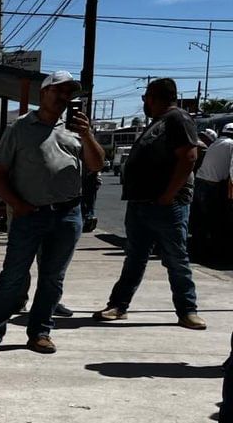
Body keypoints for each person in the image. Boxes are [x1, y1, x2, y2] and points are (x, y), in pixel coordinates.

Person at [0, 70, 105, 357]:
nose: (63, 97)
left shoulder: (76, 129)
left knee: (52, 278)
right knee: (13, 275)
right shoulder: (21, 127)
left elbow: (96, 165)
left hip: (67, 215)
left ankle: (40, 333)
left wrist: (87, 135)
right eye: (58, 90)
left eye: (68, 93)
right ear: (43, 93)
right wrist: (16, 204)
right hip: (29, 214)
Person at [93, 77, 205, 330]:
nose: (144, 102)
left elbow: (188, 157)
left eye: (145, 97)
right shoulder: (158, 122)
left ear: (154, 97)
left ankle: (188, 310)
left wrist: (167, 196)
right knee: (135, 257)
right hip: (141, 204)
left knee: (176, 258)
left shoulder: (178, 119)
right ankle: (118, 305)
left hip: (167, 205)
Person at [191, 123, 233, 260]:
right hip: (213, 185)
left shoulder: (217, 143)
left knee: (201, 219)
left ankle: (198, 250)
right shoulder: (231, 144)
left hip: (201, 181)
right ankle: (211, 252)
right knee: (214, 219)